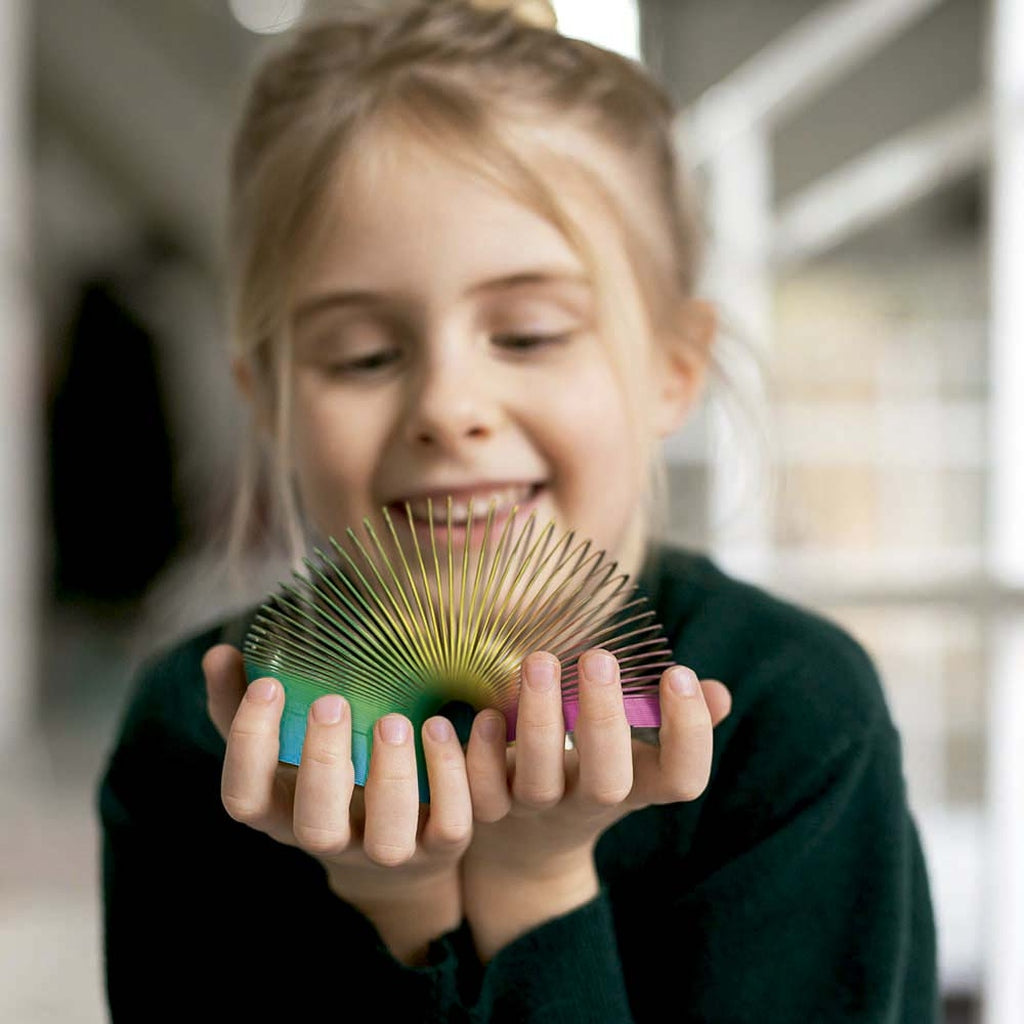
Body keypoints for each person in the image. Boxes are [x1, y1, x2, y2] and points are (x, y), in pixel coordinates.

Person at [97, 1, 939, 1019]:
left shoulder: (791, 718)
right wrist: (395, 905)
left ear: (671, 367)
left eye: (530, 334)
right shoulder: (191, 738)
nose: (447, 408)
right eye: (364, 355)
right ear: (268, 399)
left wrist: (535, 889)